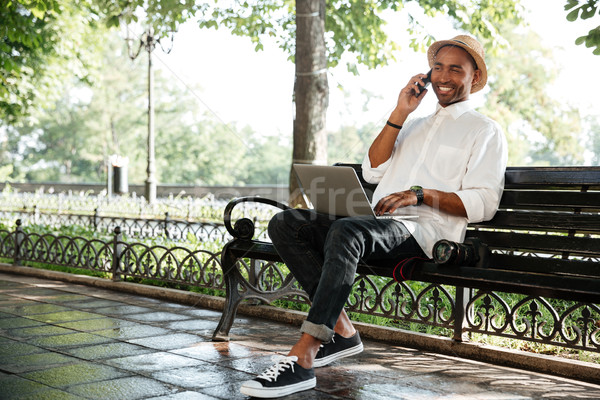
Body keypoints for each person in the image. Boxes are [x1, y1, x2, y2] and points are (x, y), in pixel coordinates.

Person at [240, 34, 508, 398]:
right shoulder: (411, 124)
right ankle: (343, 332)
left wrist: (419, 194)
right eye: (438, 67)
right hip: (376, 225)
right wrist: (400, 111)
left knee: (347, 233)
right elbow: (373, 171)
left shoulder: (484, 130)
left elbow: (485, 201)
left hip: (425, 232)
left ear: (474, 77)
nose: (444, 76)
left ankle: (304, 357)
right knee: (287, 223)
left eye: (455, 69)